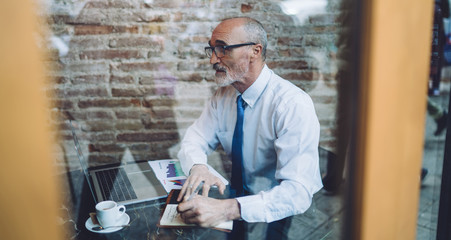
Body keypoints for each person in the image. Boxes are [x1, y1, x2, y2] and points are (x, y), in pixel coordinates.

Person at [175, 17, 323, 239]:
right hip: (238, 204)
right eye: (212, 49)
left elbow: (298, 193)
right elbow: (194, 139)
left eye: (223, 49)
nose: (213, 59)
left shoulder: (292, 104)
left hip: (285, 212)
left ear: (255, 51)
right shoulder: (223, 95)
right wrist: (198, 166)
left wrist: (227, 209)